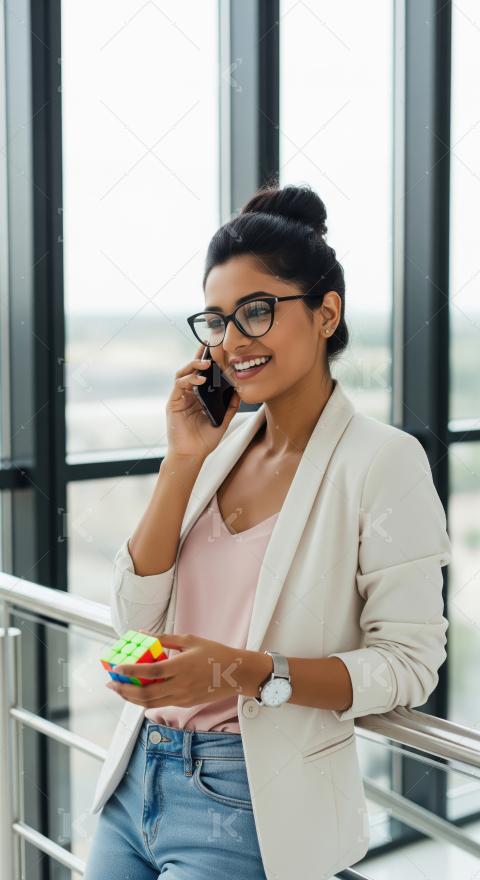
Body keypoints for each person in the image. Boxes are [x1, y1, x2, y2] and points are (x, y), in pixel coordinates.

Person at [84, 181, 452, 880]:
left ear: (325, 312)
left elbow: (409, 666)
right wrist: (181, 460)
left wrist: (242, 670)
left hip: (250, 802)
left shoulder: (382, 461)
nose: (232, 342)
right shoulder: (215, 449)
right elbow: (131, 616)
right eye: (218, 321)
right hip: (136, 776)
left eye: (257, 312)